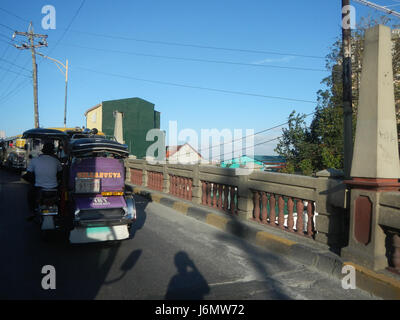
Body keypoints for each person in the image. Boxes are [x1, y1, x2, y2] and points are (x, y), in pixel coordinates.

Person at [26, 142, 62, 221]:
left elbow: (29, 174)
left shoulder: (34, 160)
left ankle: (32, 212)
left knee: (30, 194)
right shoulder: (56, 161)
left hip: (39, 188)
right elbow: (60, 174)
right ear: (53, 151)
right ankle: (61, 213)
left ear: (43, 150)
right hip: (54, 188)